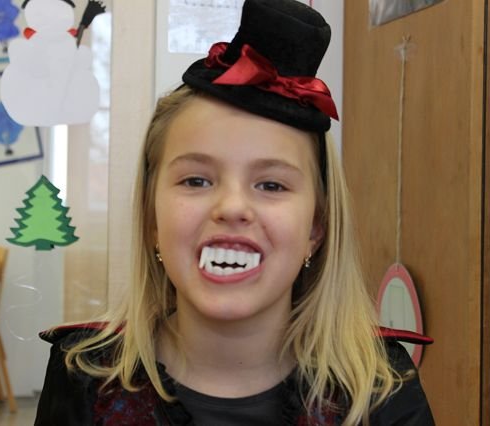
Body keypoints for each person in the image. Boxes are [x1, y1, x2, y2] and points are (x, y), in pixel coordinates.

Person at [35, 0, 435, 424]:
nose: (232, 207)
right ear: (151, 218)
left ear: (316, 228)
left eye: (271, 185)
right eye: (196, 181)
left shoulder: (381, 387)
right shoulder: (86, 377)